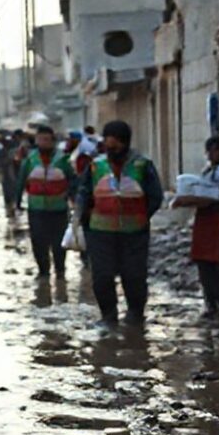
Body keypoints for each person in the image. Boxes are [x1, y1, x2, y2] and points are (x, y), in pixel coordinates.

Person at [77, 121, 164, 326]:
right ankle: (108, 316)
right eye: (108, 145)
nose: (111, 149)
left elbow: (155, 196)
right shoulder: (95, 165)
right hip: (100, 232)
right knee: (102, 276)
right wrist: (82, 218)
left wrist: (142, 217)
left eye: (115, 145)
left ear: (125, 143)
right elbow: (83, 193)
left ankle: (135, 314)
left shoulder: (143, 165)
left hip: (134, 232)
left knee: (134, 275)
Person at [17, 126, 78, 278]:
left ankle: (60, 271)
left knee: (59, 243)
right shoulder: (30, 160)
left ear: (53, 141)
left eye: (46, 139)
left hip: (58, 208)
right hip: (36, 208)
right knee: (38, 241)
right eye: (40, 139)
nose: (43, 143)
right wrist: (17, 201)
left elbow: (73, 181)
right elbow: (21, 181)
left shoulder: (63, 160)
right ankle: (43, 272)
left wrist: (74, 200)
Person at [190, 136, 219, 318]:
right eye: (209, 151)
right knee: (203, 264)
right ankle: (211, 304)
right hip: (205, 223)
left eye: (215, 150)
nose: (211, 154)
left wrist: (207, 201)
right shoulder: (208, 171)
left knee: (218, 265)